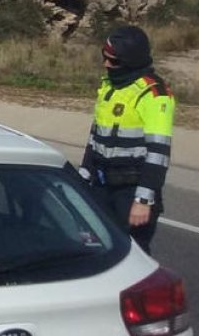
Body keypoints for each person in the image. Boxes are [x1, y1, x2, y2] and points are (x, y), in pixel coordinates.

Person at [79, 25, 175, 253]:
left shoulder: (154, 94)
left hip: (130, 190)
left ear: (131, 60)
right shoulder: (110, 86)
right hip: (102, 185)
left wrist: (143, 201)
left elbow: (158, 154)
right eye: (105, 58)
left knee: (132, 254)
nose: (106, 64)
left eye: (113, 60)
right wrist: (84, 175)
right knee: (95, 249)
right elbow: (95, 137)